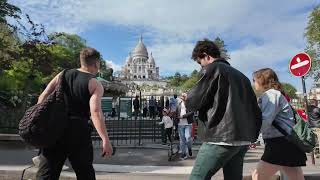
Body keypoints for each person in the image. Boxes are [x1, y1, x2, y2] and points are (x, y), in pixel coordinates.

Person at [186, 39, 262, 180]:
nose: (200, 66)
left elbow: (194, 102)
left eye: (199, 62)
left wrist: (187, 98)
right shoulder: (243, 78)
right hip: (242, 139)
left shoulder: (211, 69)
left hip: (219, 138)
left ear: (206, 55)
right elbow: (255, 110)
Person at [36, 47, 113, 180]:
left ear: (81, 61)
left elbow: (42, 97)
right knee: (85, 173)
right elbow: (95, 112)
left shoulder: (62, 74)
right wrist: (105, 139)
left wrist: (41, 121)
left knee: (47, 173)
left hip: (56, 127)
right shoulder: (95, 83)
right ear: (96, 63)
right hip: (79, 130)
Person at [251, 68, 306, 180]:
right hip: (288, 142)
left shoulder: (270, 95)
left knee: (257, 176)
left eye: (254, 80)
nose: (253, 82)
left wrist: (250, 135)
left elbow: (266, 119)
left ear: (262, 80)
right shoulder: (277, 94)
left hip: (279, 143)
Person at [176, 93, 194, 159]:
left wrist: (183, 116)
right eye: (182, 95)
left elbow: (192, 112)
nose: (182, 96)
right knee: (182, 140)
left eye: (184, 95)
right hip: (180, 124)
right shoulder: (179, 104)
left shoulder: (190, 104)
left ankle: (189, 148)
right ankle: (184, 153)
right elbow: (176, 114)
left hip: (188, 124)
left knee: (188, 137)